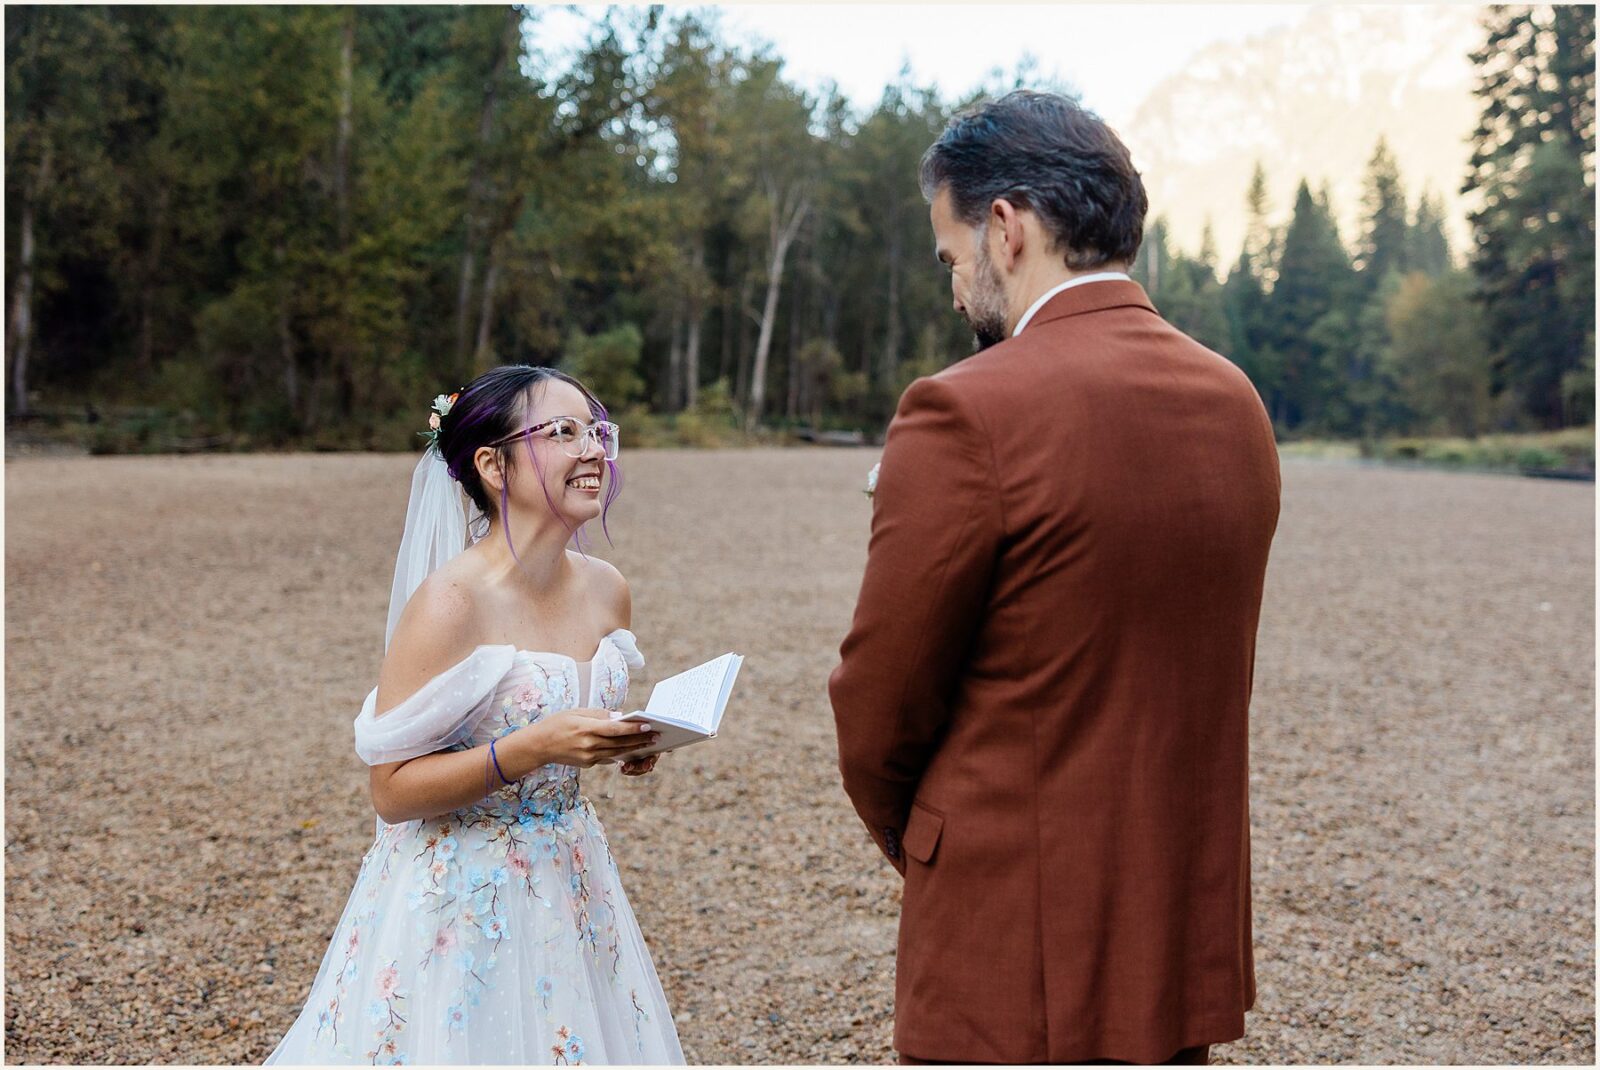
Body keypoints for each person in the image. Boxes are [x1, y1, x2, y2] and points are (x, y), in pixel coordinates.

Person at [828, 91, 1281, 1065]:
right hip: (1175, 926)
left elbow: (876, 704)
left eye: (951, 256)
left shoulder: (965, 409)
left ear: (1005, 227)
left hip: (1009, 935)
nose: (955, 289)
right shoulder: (1233, 400)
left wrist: (932, 840)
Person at [267, 365, 684, 1065]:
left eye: (597, 430)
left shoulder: (608, 590)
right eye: (562, 432)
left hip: (573, 876)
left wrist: (624, 742)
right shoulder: (450, 604)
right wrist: (529, 749)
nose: (593, 451)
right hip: (461, 896)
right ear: (493, 464)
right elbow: (392, 790)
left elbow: (568, 723)